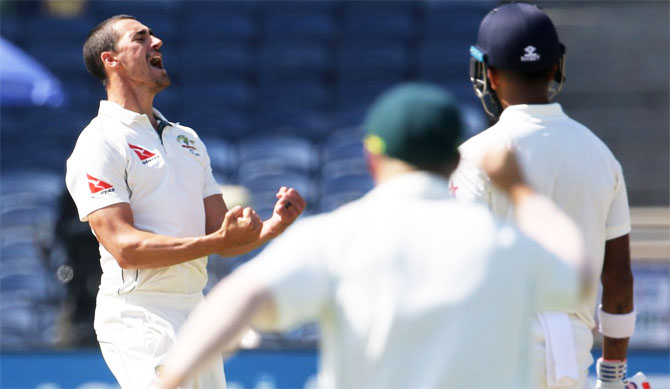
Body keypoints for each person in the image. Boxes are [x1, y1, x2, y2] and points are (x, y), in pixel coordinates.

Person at [151, 82, 593, 389]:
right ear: (455, 162)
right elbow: (580, 277)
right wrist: (521, 190)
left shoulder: (335, 237)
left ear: (371, 159)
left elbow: (238, 298)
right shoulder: (503, 243)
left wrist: (173, 377)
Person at [65, 15, 306, 389]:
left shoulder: (186, 139)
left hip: (194, 307)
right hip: (138, 311)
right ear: (111, 60)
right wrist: (216, 243)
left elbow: (223, 236)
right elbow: (125, 247)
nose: (157, 42)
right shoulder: (98, 142)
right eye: (141, 38)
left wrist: (275, 225)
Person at [450, 3, 647, 388]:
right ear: (557, 66)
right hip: (570, 359)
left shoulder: (475, 156)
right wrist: (611, 375)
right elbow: (619, 282)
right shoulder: (600, 156)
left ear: (488, 73)